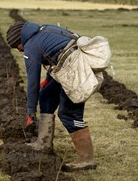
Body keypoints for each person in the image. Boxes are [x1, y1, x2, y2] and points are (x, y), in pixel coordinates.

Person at [6, 20, 97, 171]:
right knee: (46, 95)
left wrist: (30, 112)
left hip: (75, 70)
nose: (19, 50)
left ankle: (87, 159)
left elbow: (32, 82)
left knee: (68, 113)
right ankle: (43, 143)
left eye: (17, 47)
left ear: (20, 40)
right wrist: (48, 81)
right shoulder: (44, 30)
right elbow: (57, 53)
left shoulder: (31, 46)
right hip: (69, 65)